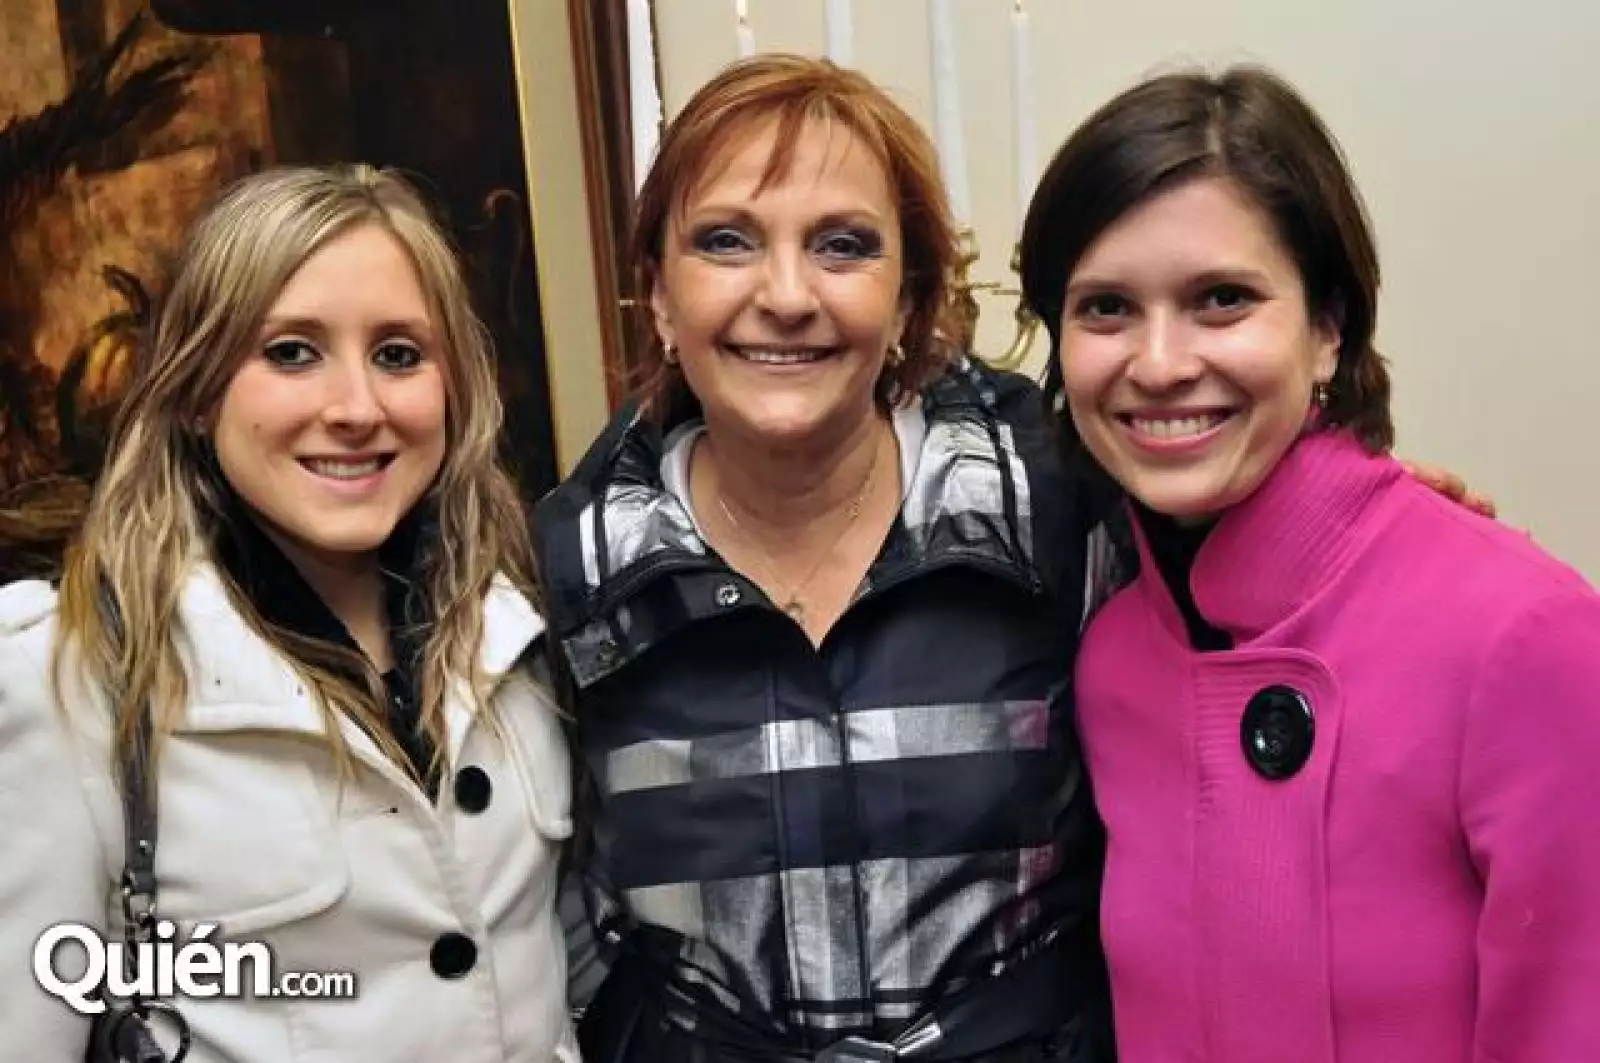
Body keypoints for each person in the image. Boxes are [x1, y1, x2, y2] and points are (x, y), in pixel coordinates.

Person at [534, 56, 1113, 1062]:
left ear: (907, 305)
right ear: (659, 301)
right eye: (725, 242)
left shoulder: (1063, 506)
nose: (787, 294)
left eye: (842, 246)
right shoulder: (565, 577)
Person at [1018, 65, 1600, 1062]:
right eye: (1105, 307)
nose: (1157, 362)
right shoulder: (1113, 657)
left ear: (1327, 327)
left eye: (1221, 300)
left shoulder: (1523, 633)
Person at [0, 165, 576, 1062]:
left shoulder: (511, 633)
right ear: (194, 390)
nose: (355, 408)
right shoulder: (71, 677)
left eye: (398, 354)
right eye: (291, 352)